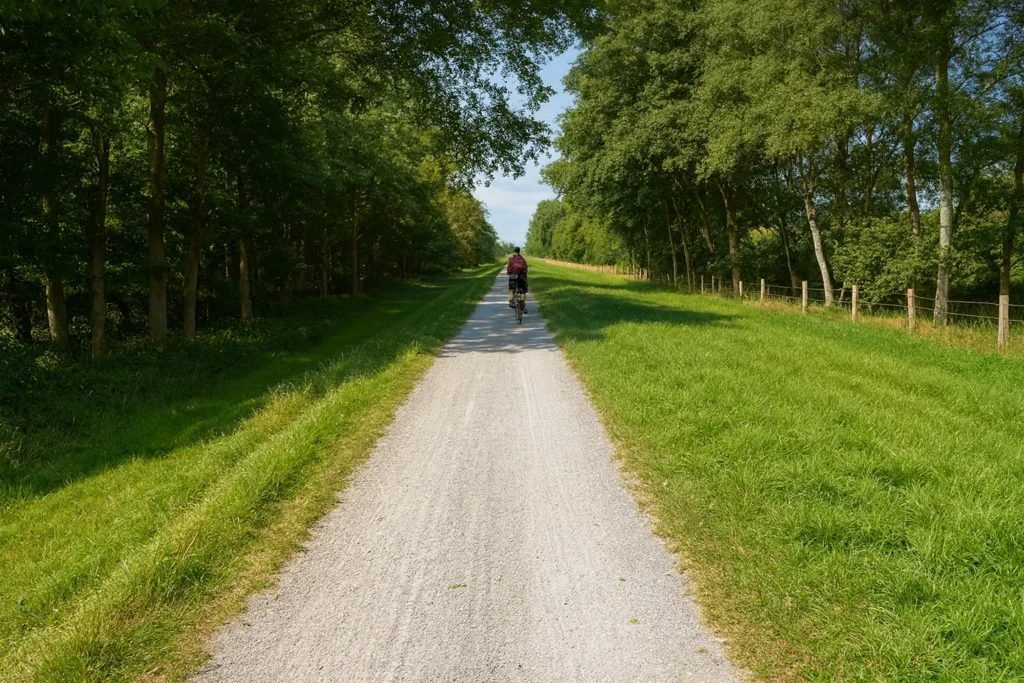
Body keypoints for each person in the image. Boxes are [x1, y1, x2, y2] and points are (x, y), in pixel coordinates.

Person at [507, 247, 528, 314]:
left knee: (511, 289)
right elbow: (525, 269)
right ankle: (522, 306)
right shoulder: (522, 258)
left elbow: (509, 268)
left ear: (514, 251)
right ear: (519, 251)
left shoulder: (511, 258)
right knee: (523, 291)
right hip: (521, 276)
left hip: (513, 276)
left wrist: (509, 274)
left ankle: (511, 302)